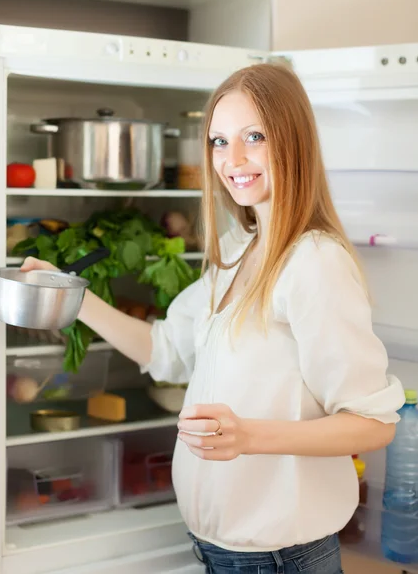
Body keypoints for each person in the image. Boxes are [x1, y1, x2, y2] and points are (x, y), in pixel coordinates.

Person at [22, 62, 405, 574]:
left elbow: (373, 424)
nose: (235, 159)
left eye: (254, 136)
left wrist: (249, 436)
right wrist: (67, 293)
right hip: (219, 551)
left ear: (293, 140)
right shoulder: (238, 250)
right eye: (219, 142)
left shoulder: (314, 262)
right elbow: (164, 350)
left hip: (281, 559)